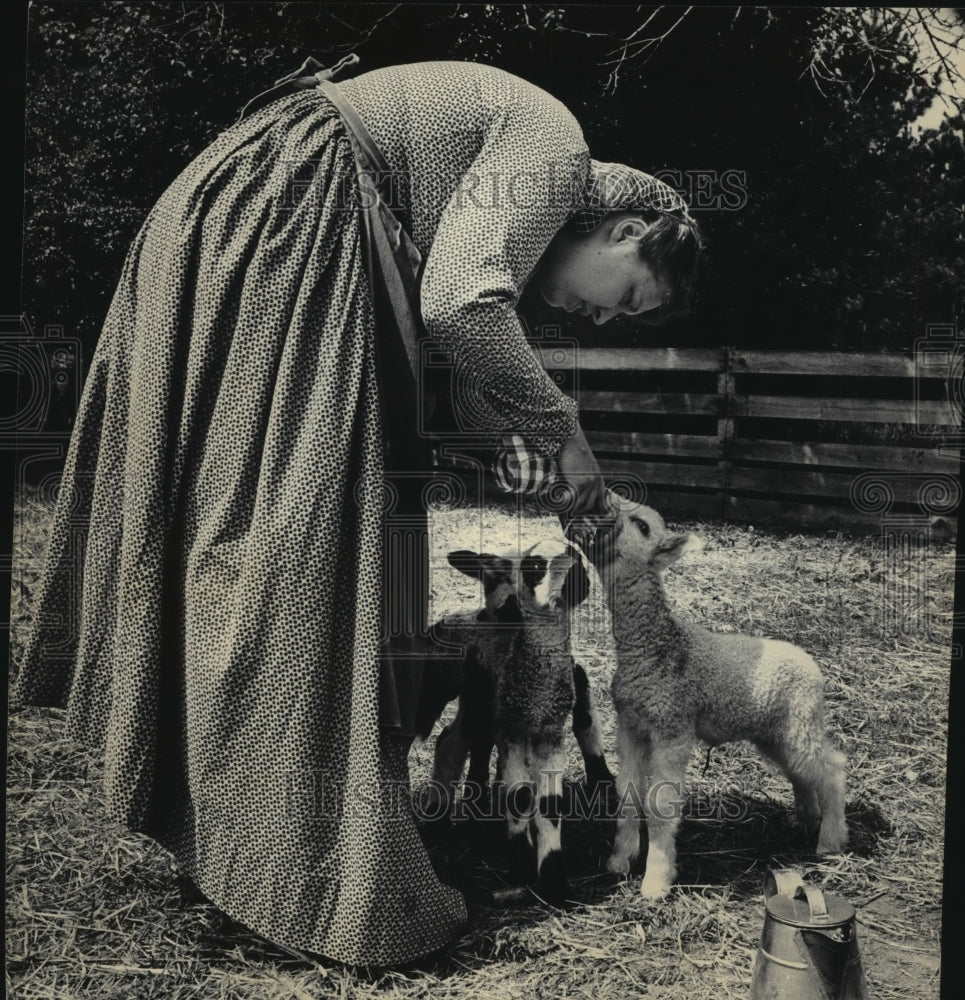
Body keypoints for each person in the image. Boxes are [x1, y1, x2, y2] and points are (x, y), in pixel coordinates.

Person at [12, 56, 701, 966]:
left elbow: (460, 343)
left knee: (268, 541)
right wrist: (561, 426)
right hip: (292, 212)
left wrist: (555, 475)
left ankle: (250, 840)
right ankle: (292, 862)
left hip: (257, 208)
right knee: (290, 550)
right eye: (625, 301)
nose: (599, 321)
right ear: (623, 228)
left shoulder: (504, 189)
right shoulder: (557, 145)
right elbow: (460, 303)